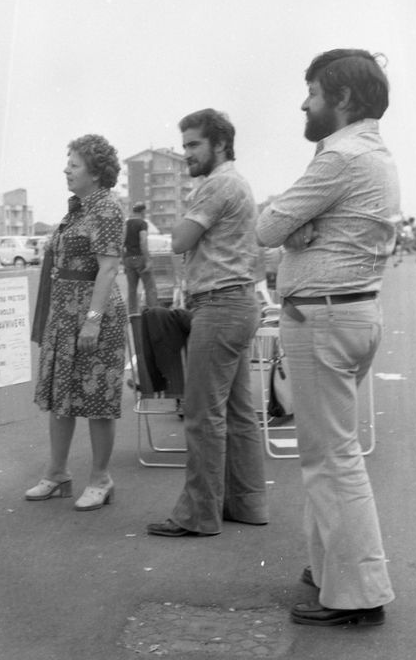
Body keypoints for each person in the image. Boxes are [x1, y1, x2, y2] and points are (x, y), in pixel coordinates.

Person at [256, 49, 399, 627]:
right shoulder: (374, 153)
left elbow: (267, 226)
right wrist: (302, 228)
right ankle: (329, 570)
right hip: (352, 315)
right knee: (326, 453)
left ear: (341, 98)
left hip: (323, 320)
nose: (304, 103)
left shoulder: (339, 156)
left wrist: (295, 228)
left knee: (332, 460)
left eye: (313, 93)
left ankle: (359, 594)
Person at [146, 108, 268, 537]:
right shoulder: (238, 182)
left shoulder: (216, 185)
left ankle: (198, 514)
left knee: (202, 415)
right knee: (238, 412)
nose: (187, 154)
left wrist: (187, 208)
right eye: (184, 146)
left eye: (194, 144)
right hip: (239, 303)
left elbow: (180, 240)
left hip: (218, 306)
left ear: (220, 144)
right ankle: (247, 504)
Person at [26, 134, 127, 511]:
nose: (66, 170)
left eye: (74, 165)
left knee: (97, 399)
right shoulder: (78, 210)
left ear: (96, 172)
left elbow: (109, 268)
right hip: (65, 314)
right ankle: (57, 474)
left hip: (92, 314)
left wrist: (92, 321)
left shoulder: (106, 209)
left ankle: (101, 479)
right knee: (61, 396)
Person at [123, 202, 159, 314]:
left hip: (128, 259)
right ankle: (152, 313)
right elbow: (143, 242)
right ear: (143, 211)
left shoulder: (126, 224)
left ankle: (132, 315)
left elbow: (121, 243)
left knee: (132, 290)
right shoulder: (142, 223)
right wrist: (148, 260)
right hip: (140, 258)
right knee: (150, 288)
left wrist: (124, 260)